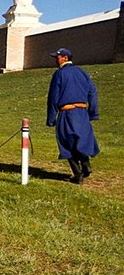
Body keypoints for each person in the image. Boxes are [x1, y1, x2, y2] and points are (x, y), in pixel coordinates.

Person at [46, 48, 99, 184]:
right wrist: (92, 112)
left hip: (67, 112)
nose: (55, 60)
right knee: (81, 139)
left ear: (64, 58)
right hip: (82, 112)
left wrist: (51, 119)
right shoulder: (82, 73)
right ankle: (86, 164)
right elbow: (92, 92)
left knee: (67, 142)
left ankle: (78, 174)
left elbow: (53, 97)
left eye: (57, 57)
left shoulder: (59, 74)